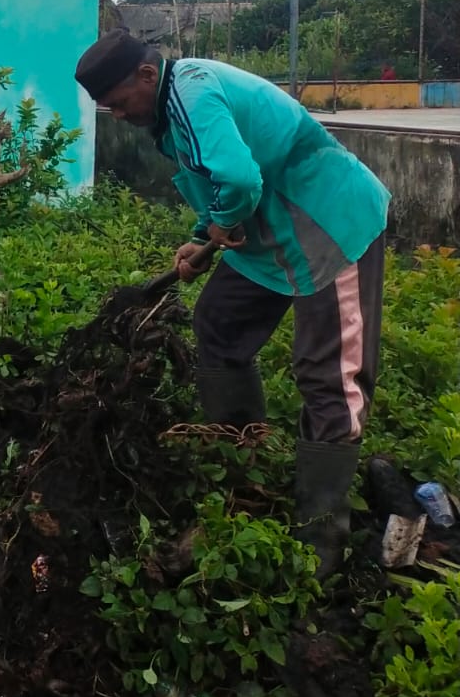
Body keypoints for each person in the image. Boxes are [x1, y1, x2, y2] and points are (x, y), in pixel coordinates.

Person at [74, 29, 390, 576]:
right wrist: (202, 237)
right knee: (218, 326)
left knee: (328, 373)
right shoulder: (172, 108)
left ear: (147, 76)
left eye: (121, 104)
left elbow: (240, 179)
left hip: (326, 224)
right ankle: (243, 461)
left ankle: (321, 540)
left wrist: (216, 229)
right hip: (268, 239)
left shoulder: (193, 94)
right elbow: (218, 180)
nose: (119, 116)